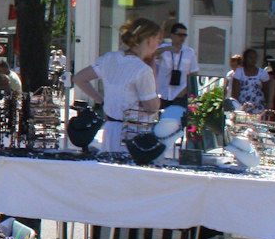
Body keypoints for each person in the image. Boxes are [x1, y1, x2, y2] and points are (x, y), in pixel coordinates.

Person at [71, 17, 162, 152]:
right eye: (157, 40)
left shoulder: (110, 58)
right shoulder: (143, 70)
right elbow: (152, 107)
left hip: (111, 128)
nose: (158, 45)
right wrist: (153, 72)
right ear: (149, 40)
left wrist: (103, 100)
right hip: (133, 133)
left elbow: (79, 78)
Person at [154, 21, 198, 109]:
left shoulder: (189, 52)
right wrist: (167, 49)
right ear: (172, 35)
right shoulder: (163, 48)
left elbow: (193, 73)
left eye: (185, 35)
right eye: (180, 35)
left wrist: (185, 91)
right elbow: (152, 56)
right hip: (163, 93)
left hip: (180, 94)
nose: (182, 38)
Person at [229, 48, 267, 115]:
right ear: (245, 59)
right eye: (250, 57)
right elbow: (235, 92)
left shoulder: (262, 73)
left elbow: (266, 90)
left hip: (258, 107)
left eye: (255, 57)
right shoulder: (239, 72)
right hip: (242, 107)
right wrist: (236, 107)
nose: (253, 60)